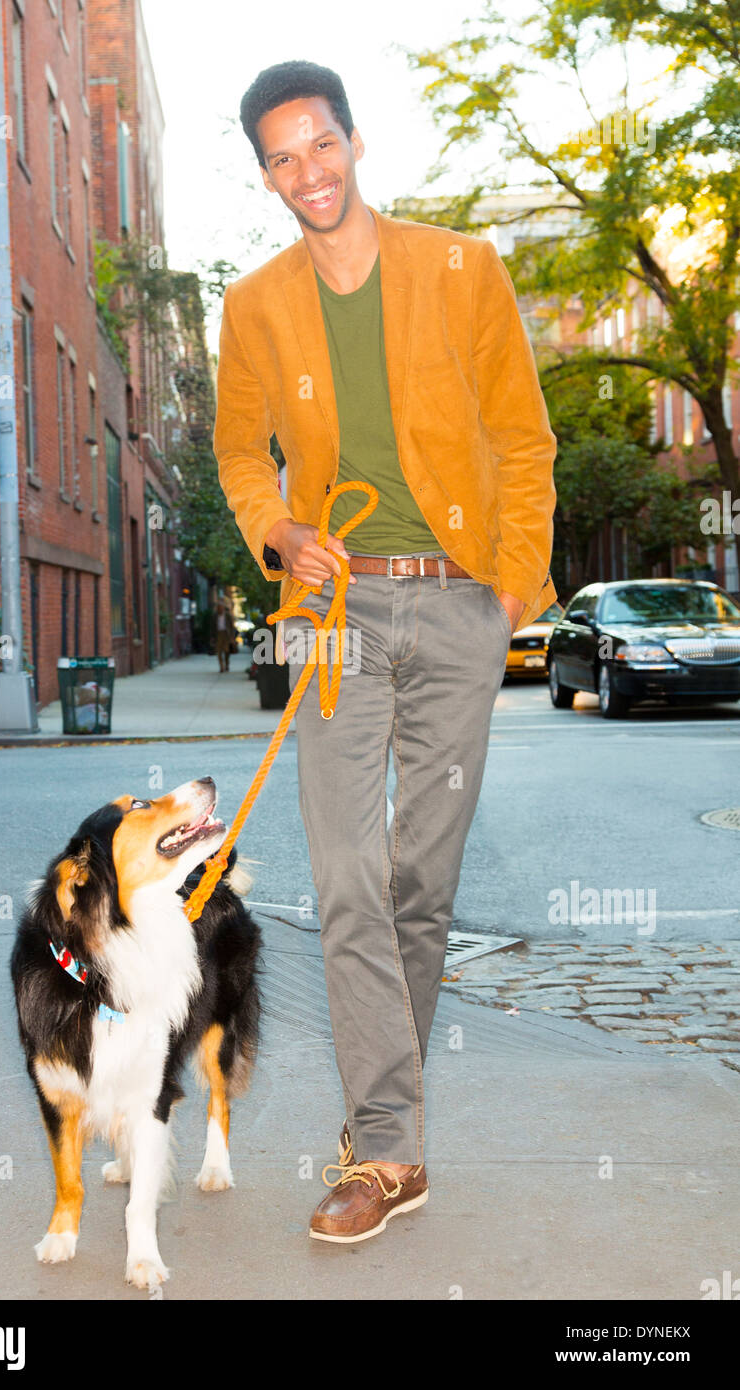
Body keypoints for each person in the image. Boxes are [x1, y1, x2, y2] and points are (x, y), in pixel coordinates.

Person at [214, 60, 557, 1244]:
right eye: (279, 157)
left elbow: (522, 435)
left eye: (319, 145)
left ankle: (380, 1131)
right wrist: (276, 526)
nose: (305, 172)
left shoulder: (460, 267)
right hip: (338, 614)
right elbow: (237, 452)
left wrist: (506, 593)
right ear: (263, 174)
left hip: (457, 601)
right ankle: (386, 1150)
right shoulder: (253, 304)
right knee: (348, 875)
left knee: (421, 882)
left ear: (353, 144)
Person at [214, 594, 236, 672]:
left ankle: (227, 664)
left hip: (226, 635)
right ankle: (221, 667)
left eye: (221, 607)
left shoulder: (227, 616)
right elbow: (212, 627)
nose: (219, 609)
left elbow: (232, 627)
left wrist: (232, 637)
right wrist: (212, 637)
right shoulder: (215, 616)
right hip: (218, 634)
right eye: (218, 608)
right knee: (219, 651)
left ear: (223, 608)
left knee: (226, 651)